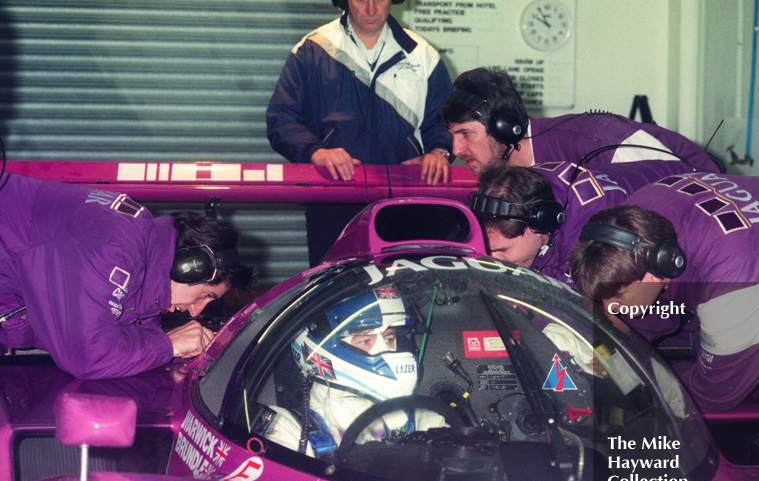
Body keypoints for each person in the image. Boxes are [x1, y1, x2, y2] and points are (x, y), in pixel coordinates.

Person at [568, 172, 759, 412]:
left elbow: (715, 391)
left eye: (618, 298)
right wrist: (617, 349)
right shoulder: (638, 218)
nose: (610, 310)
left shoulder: (736, 278)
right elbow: (657, 313)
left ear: (656, 274)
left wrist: (633, 376)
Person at [0, 172, 255, 379]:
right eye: (204, 295)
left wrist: (189, 352)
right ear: (189, 265)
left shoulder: (141, 272)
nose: (196, 312)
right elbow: (86, 356)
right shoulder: (117, 246)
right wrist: (169, 344)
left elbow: (129, 344)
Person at [267, 0, 454, 267]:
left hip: (405, 201)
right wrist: (315, 151)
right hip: (332, 199)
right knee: (333, 291)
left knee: (406, 291)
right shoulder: (313, 49)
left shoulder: (422, 54)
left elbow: (446, 121)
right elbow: (281, 118)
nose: (370, 8)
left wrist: (440, 151)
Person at [437, 67, 722, 178]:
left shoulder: (598, 144)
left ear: (505, 128)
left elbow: (678, 193)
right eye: (452, 135)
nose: (456, 149)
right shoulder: (508, 171)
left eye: (466, 134)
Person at [259, 286, 444, 456]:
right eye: (365, 341)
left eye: (389, 339)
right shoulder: (287, 431)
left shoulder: (425, 421)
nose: (386, 351)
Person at [471, 159, 691, 284]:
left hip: (685, 232)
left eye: (501, 250)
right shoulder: (521, 189)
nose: (493, 259)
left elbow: (600, 297)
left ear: (541, 224)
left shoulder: (595, 218)